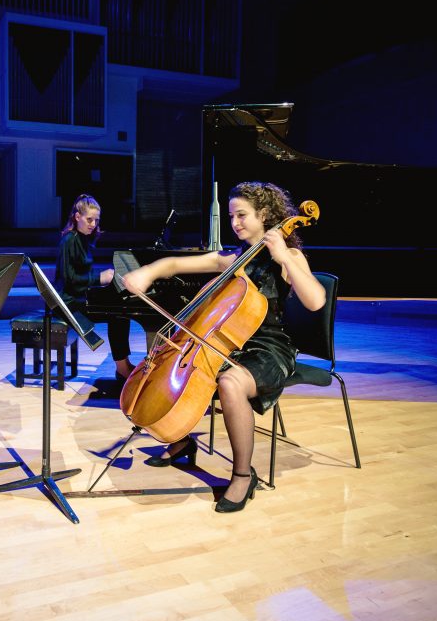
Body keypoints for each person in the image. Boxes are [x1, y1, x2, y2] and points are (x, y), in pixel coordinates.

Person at [122, 182, 325, 512]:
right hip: (230, 345)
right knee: (189, 377)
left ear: (265, 215)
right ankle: (181, 440)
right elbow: (174, 264)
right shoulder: (233, 258)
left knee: (228, 382)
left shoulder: (290, 256)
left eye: (242, 215)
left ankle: (244, 475)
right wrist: (146, 273)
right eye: (232, 216)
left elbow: (315, 301)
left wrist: (284, 257)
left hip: (270, 349)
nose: (235, 223)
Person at [54, 194, 135, 381]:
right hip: (68, 304)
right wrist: (100, 277)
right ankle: (122, 367)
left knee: (121, 311)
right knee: (117, 313)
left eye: (96, 220)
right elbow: (69, 279)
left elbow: (81, 274)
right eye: (89, 219)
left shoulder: (82, 239)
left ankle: (124, 364)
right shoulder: (69, 241)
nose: (93, 224)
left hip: (79, 297)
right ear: (77, 217)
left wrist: (105, 277)